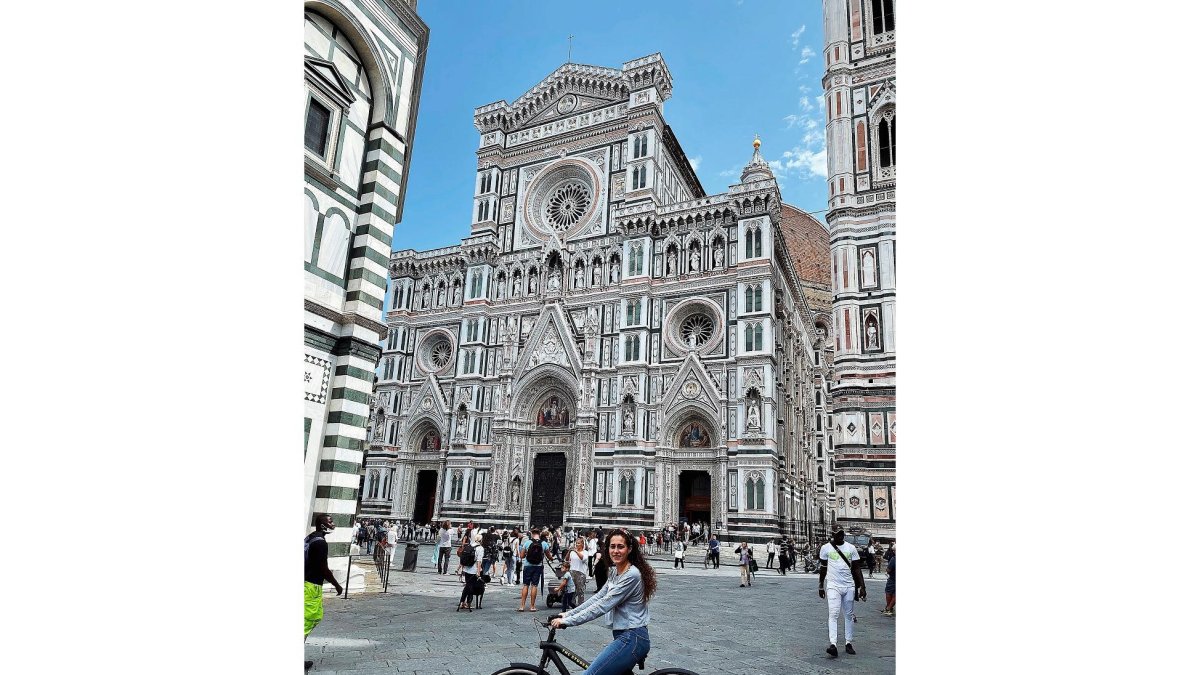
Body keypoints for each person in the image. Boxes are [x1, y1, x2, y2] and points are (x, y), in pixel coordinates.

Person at [550, 530, 657, 675]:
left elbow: (603, 605)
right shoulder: (615, 571)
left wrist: (568, 621)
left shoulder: (632, 575)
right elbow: (598, 597)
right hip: (623, 636)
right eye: (612, 546)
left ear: (629, 549)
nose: (616, 551)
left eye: (621, 546)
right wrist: (567, 614)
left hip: (632, 637)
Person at [304, 514, 344, 671]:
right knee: (306, 623)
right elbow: (323, 568)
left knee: (314, 617)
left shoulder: (311, 538)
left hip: (309, 584)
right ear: (322, 525)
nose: (333, 524)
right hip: (310, 587)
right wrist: (337, 585)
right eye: (330, 521)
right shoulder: (320, 543)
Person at [818, 529, 866, 658]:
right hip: (833, 585)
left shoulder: (851, 548)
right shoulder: (825, 548)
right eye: (837, 534)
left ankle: (848, 642)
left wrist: (862, 587)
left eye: (842, 534)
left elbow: (857, 568)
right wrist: (821, 585)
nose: (840, 536)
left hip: (849, 586)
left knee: (849, 615)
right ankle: (833, 644)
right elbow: (823, 568)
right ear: (832, 535)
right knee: (833, 614)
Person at [517, 530, 549, 612]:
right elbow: (549, 556)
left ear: (532, 534)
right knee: (534, 585)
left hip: (528, 566)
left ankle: (522, 606)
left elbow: (522, 556)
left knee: (525, 585)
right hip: (538, 567)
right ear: (540, 534)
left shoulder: (527, 542)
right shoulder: (544, 543)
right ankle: (532, 606)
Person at [457, 532, 485, 612]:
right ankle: (467, 603)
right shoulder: (480, 548)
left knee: (467, 586)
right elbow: (479, 561)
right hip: (474, 570)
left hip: (466, 569)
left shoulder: (469, 545)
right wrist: (478, 572)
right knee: (470, 587)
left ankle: (462, 602)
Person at [568, 537, 589, 607]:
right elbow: (566, 559)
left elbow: (583, 558)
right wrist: (569, 551)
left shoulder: (585, 552)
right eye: (576, 543)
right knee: (571, 589)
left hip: (581, 573)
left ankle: (581, 605)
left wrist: (576, 551)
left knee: (580, 590)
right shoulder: (572, 552)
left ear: (582, 544)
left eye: (578, 543)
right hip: (572, 571)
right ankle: (572, 603)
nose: (576, 544)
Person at [882, 544, 896, 617]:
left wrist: (887, 570)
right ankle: (889, 608)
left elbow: (888, 569)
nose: (893, 552)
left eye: (894, 550)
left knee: (889, 592)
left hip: (893, 579)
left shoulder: (894, 559)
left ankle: (888, 608)